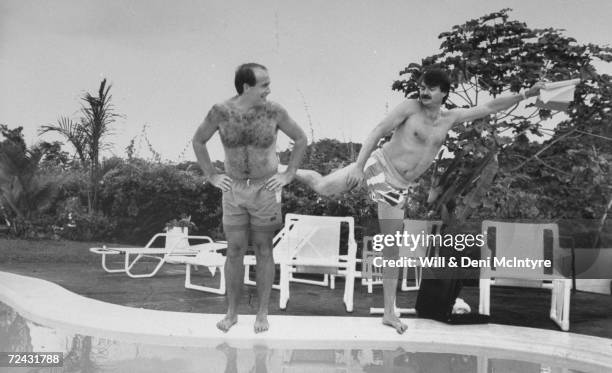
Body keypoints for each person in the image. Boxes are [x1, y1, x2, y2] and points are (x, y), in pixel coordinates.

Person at [291, 68, 544, 333]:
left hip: (399, 185)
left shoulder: (450, 118)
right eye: (422, 86)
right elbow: (378, 131)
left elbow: (490, 106)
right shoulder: (409, 108)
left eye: (431, 88)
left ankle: (389, 312)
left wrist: (527, 93)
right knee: (324, 188)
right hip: (379, 165)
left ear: (444, 93)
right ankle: (284, 170)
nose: (424, 91)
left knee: (390, 248)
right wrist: (359, 166)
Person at [193, 63, 307, 333]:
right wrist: (211, 175)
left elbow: (301, 139)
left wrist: (289, 173)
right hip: (232, 188)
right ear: (246, 87)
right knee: (233, 250)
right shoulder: (220, 112)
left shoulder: (274, 111)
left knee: (263, 249)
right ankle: (232, 313)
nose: (269, 90)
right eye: (264, 85)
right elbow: (198, 141)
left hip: (265, 188)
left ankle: (262, 313)